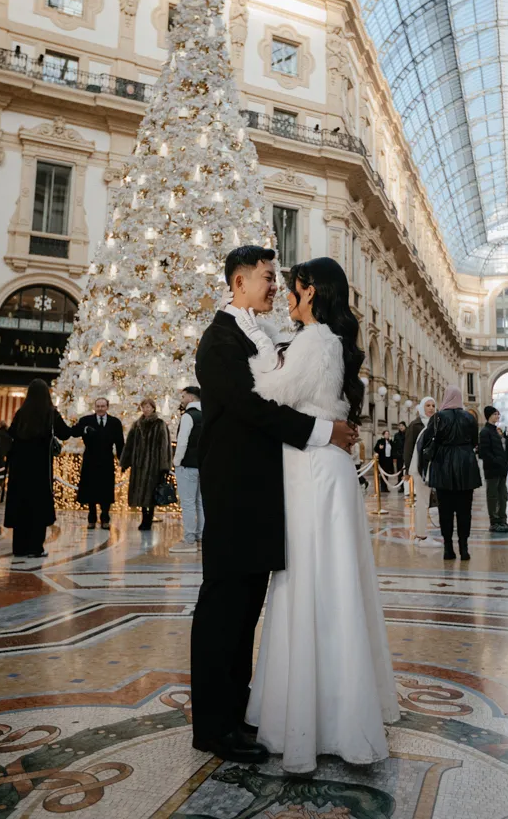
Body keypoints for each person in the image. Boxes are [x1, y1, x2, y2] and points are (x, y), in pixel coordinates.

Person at [191, 246, 358, 765]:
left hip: (262, 495)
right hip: (235, 493)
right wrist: (321, 431)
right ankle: (211, 727)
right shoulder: (219, 340)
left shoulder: (255, 334)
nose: (274, 286)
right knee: (223, 608)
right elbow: (251, 409)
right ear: (239, 282)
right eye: (267, 277)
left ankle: (234, 713)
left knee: (246, 611)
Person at [235, 256, 399, 773]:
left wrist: (257, 346)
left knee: (312, 585)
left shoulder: (316, 340)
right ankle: (330, 712)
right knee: (329, 587)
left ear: (313, 293)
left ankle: (315, 721)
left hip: (313, 475)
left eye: (294, 290)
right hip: (321, 470)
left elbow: (269, 393)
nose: (286, 298)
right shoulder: (325, 342)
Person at [4, 378, 74, 558]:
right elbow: (65, 433)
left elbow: (11, 432)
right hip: (40, 468)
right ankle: (35, 548)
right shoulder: (50, 413)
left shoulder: (21, 412)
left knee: (21, 505)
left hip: (20, 468)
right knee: (38, 506)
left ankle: (19, 548)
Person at [421, 385, 481, 561]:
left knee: (445, 510)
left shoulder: (438, 418)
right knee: (464, 510)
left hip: (443, 467)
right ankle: (464, 548)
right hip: (466, 467)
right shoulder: (469, 418)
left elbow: (427, 441)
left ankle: (448, 548)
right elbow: (475, 442)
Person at [70, 397, 124, 529]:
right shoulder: (86, 421)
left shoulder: (115, 422)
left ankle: (105, 518)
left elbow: (120, 443)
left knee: (106, 489)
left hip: (106, 460)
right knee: (91, 489)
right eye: (98, 406)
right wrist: (84, 429)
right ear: (94, 407)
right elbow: (73, 432)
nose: (100, 408)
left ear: (107, 407)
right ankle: (91, 518)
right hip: (90, 459)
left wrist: (122, 461)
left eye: (103, 406)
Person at [121, 398, 172, 531]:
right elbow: (129, 445)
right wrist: (125, 462)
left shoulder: (159, 424)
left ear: (153, 408)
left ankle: (148, 519)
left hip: (153, 465)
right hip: (139, 464)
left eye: (148, 407)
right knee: (140, 493)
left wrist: (164, 466)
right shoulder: (137, 424)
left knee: (151, 493)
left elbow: (164, 446)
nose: (146, 409)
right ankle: (144, 517)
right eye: (144, 407)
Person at [171, 386, 204, 554]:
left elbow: (182, 441)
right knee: (200, 502)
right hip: (203, 465)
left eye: (183, 396)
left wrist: (177, 461)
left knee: (188, 503)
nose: (182, 400)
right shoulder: (207, 415)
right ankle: (200, 536)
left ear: (191, 398)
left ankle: (189, 539)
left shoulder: (188, 416)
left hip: (187, 465)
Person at [405, 397, 441, 546]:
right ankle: (421, 536)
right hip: (419, 468)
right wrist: (407, 470)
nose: (431, 408)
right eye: (428, 405)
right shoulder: (416, 425)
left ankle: (422, 534)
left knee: (427, 500)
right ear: (422, 407)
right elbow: (408, 447)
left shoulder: (436, 424)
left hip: (432, 468)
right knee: (422, 501)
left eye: (433, 405)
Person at [479, 406, 508, 533]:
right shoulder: (485, 432)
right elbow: (485, 453)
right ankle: (494, 522)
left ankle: (502, 520)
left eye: (498, 414)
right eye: (495, 414)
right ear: (489, 415)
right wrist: (498, 462)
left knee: (503, 495)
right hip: (492, 470)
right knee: (493, 496)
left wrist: (504, 462)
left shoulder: (495, 431)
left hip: (501, 469)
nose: (498, 416)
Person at [393, 421, 407, 491]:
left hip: (406, 454)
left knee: (407, 470)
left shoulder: (408, 434)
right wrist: (395, 455)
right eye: (400, 426)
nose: (401, 427)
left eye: (402, 426)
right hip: (399, 456)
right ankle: (401, 486)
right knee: (400, 471)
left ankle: (407, 486)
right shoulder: (396, 435)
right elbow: (394, 446)